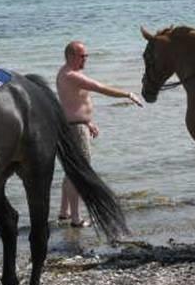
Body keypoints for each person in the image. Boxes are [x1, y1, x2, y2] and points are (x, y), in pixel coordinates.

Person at [56, 40, 143, 227]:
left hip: (75, 126)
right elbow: (100, 87)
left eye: (86, 55)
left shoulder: (68, 73)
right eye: (82, 55)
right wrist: (127, 94)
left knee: (71, 171)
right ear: (71, 56)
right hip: (75, 130)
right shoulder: (71, 75)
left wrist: (87, 121)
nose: (86, 58)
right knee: (78, 173)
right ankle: (76, 219)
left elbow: (72, 104)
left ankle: (65, 211)